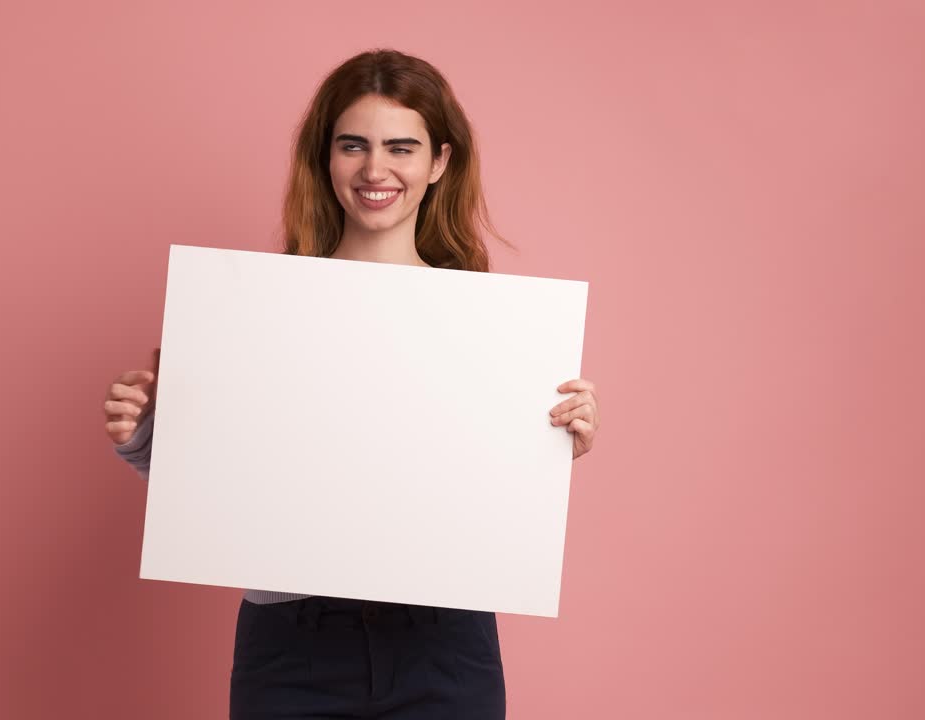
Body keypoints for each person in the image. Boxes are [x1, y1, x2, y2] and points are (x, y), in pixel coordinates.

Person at [101, 48, 601, 720]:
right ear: (325, 157)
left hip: (445, 645)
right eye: (353, 146)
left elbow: (488, 496)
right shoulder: (254, 310)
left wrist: (555, 442)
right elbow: (224, 492)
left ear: (439, 163)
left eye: (401, 147)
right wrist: (146, 435)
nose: (375, 169)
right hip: (293, 646)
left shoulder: (497, 329)